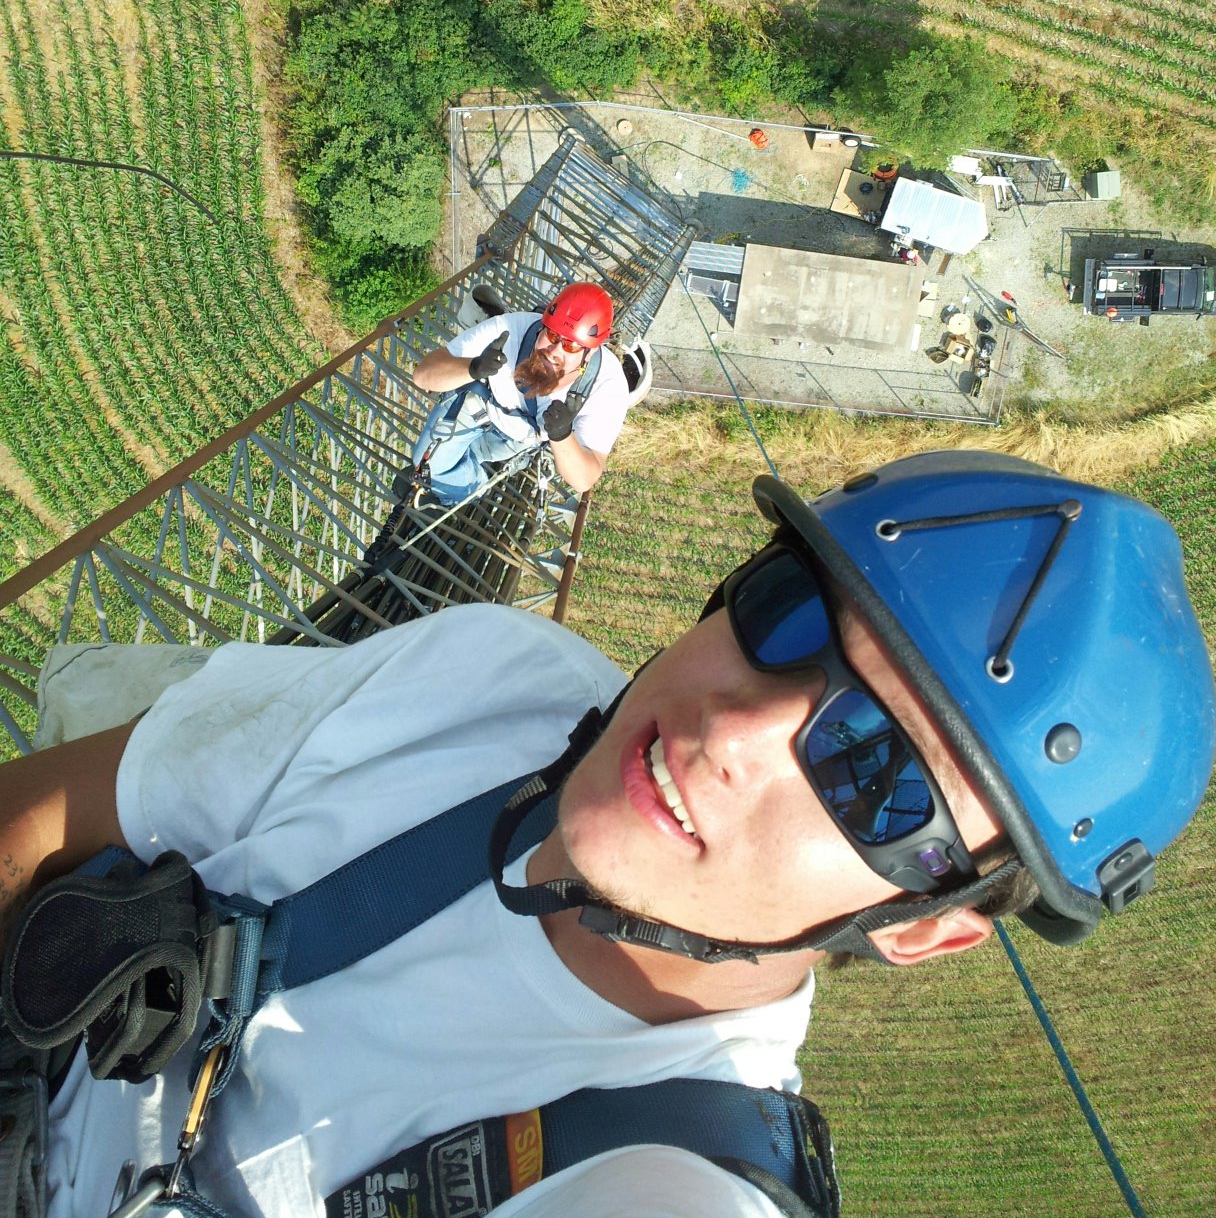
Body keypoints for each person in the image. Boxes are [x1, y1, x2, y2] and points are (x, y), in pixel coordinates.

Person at [1, 450, 1212, 1218]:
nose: (736, 729)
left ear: (928, 930)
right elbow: (39, 814)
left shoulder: (668, 1174)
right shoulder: (491, 687)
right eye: (788, 616)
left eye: (877, 772)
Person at [411, 282, 628, 501]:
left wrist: (562, 435)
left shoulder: (607, 386)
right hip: (480, 406)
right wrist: (472, 368)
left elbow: (585, 478)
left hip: (521, 437)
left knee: (443, 470)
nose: (554, 351)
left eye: (571, 346)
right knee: (427, 465)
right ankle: (466, 489)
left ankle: (463, 484)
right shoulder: (507, 329)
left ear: (588, 355)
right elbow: (423, 375)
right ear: (542, 325)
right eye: (552, 335)